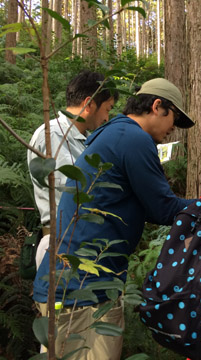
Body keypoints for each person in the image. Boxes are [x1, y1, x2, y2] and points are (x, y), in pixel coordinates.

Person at [32, 78, 196, 360]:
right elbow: (164, 209)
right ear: (158, 106)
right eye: (174, 118)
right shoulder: (134, 139)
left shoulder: (112, 133)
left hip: (65, 283)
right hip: (83, 291)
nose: (172, 130)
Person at [27, 70, 118, 269]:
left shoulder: (82, 139)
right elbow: (72, 190)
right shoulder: (52, 135)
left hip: (80, 241)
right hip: (63, 243)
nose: (107, 117)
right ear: (90, 103)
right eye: (107, 109)